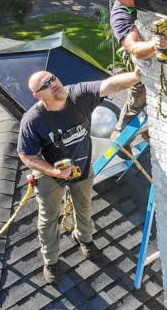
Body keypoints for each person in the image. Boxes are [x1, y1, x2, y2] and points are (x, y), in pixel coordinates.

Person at [17, 69, 140, 284]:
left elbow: (110, 85)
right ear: (38, 95)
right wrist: (54, 171)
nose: (53, 83)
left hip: (82, 167)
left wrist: (138, 76)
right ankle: (51, 260)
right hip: (50, 174)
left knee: (83, 207)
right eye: (45, 85)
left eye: (52, 78)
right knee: (48, 219)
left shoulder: (78, 95)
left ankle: (84, 239)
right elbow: (26, 155)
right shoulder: (33, 120)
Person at [103, 0, 166, 138]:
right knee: (137, 100)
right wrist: (154, 45)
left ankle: (148, 133)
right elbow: (134, 47)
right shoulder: (120, 15)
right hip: (142, 65)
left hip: (159, 60)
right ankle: (119, 134)